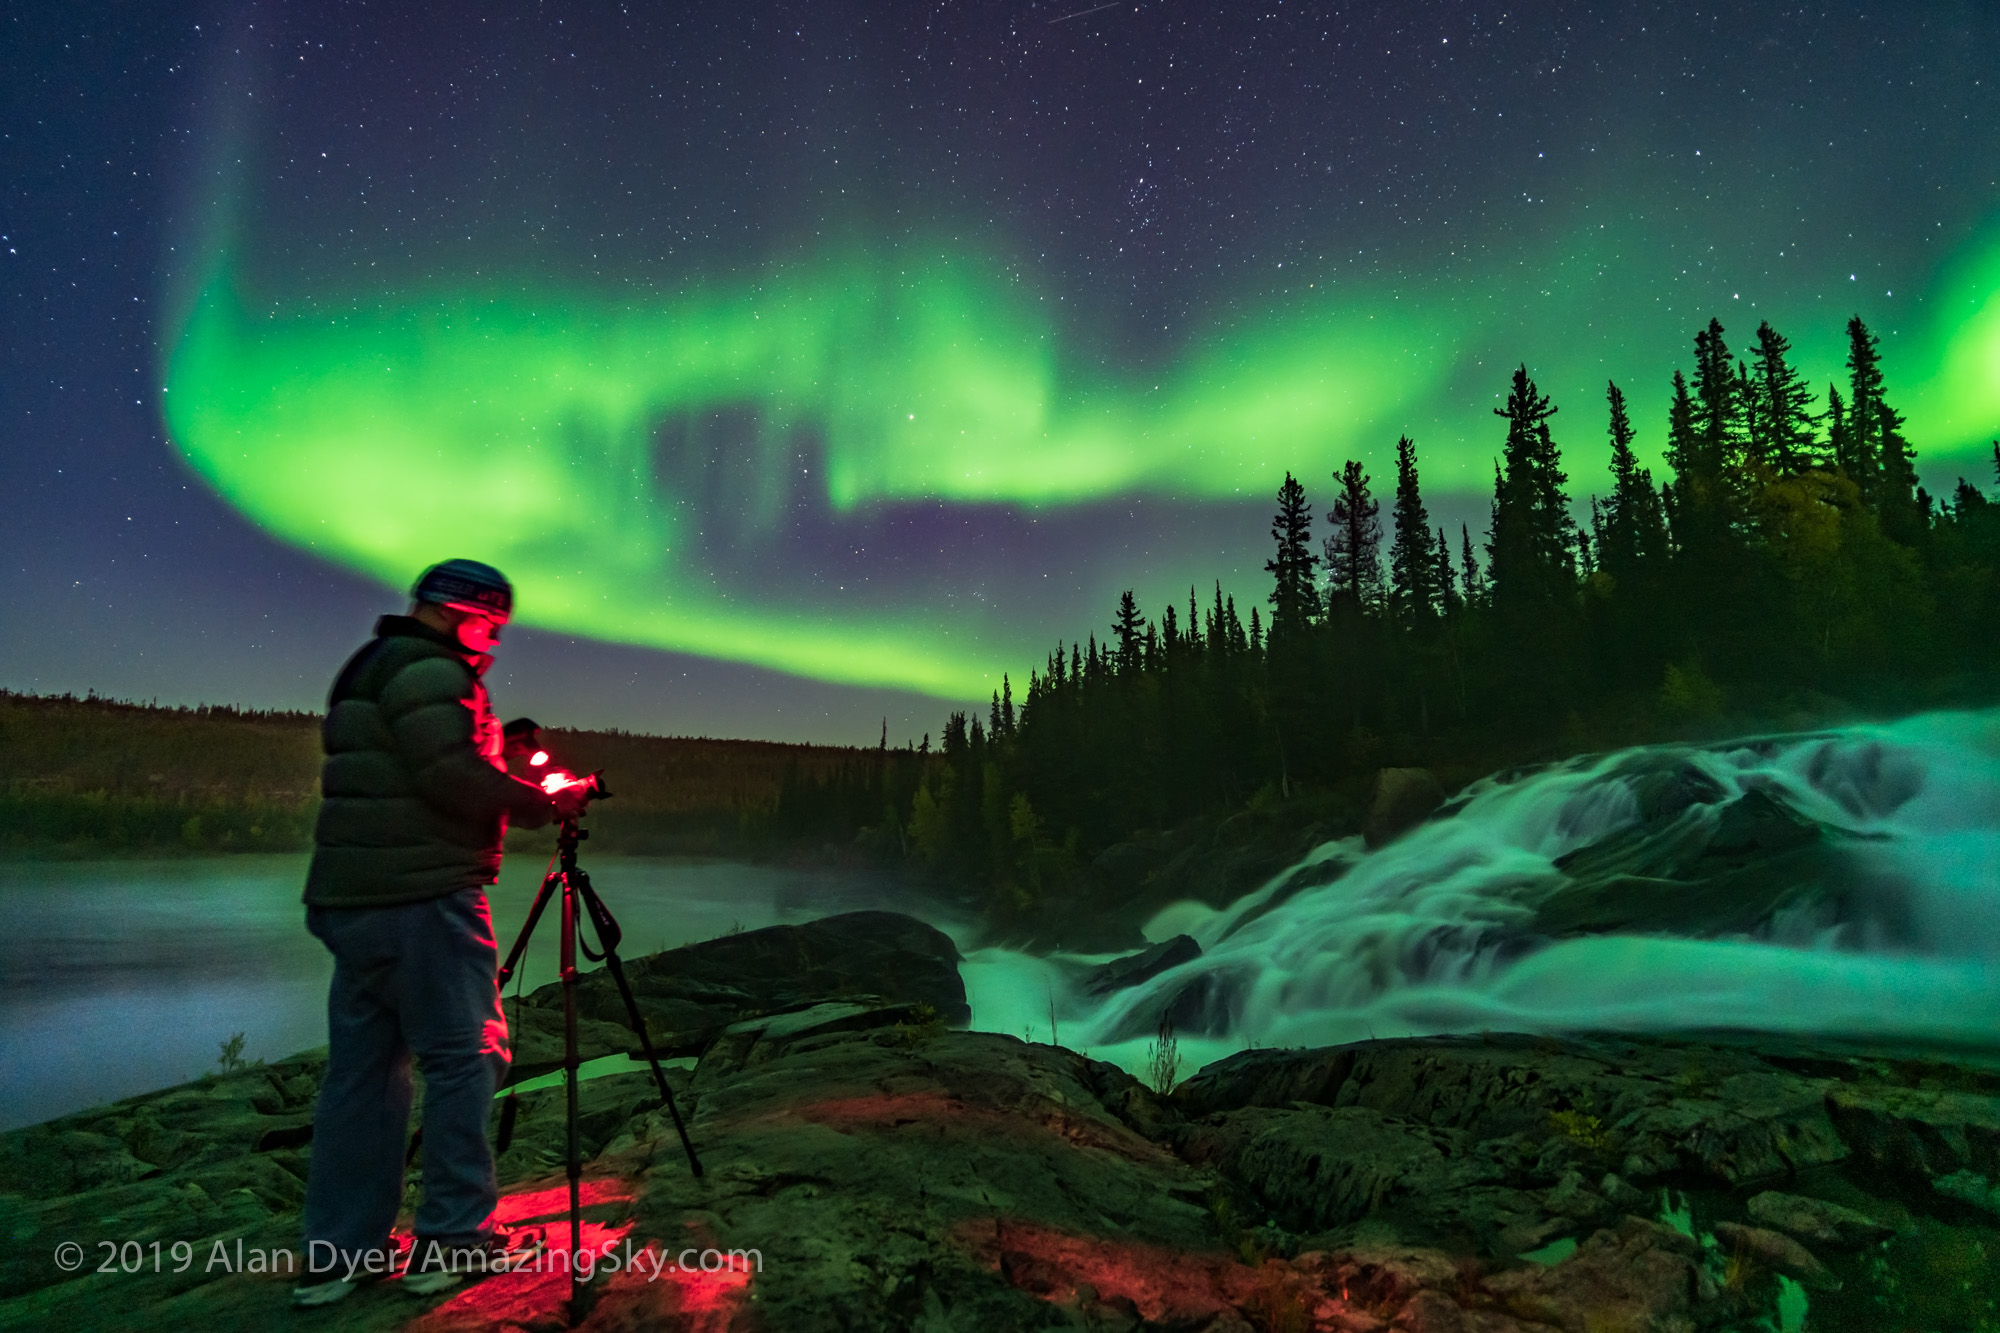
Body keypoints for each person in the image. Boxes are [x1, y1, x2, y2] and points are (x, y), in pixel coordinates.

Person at [291, 558, 589, 1307]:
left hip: (354, 898)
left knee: (363, 1074)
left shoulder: (375, 662)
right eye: (492, 626)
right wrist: (542, 802)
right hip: (423, 896)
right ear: (466, 614)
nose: (495, 642)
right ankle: (454, 1241)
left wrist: (493, 744)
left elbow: (413, 757)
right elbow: (448, 775)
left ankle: (338, 1254)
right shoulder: (433, 670)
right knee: (465, 1058)